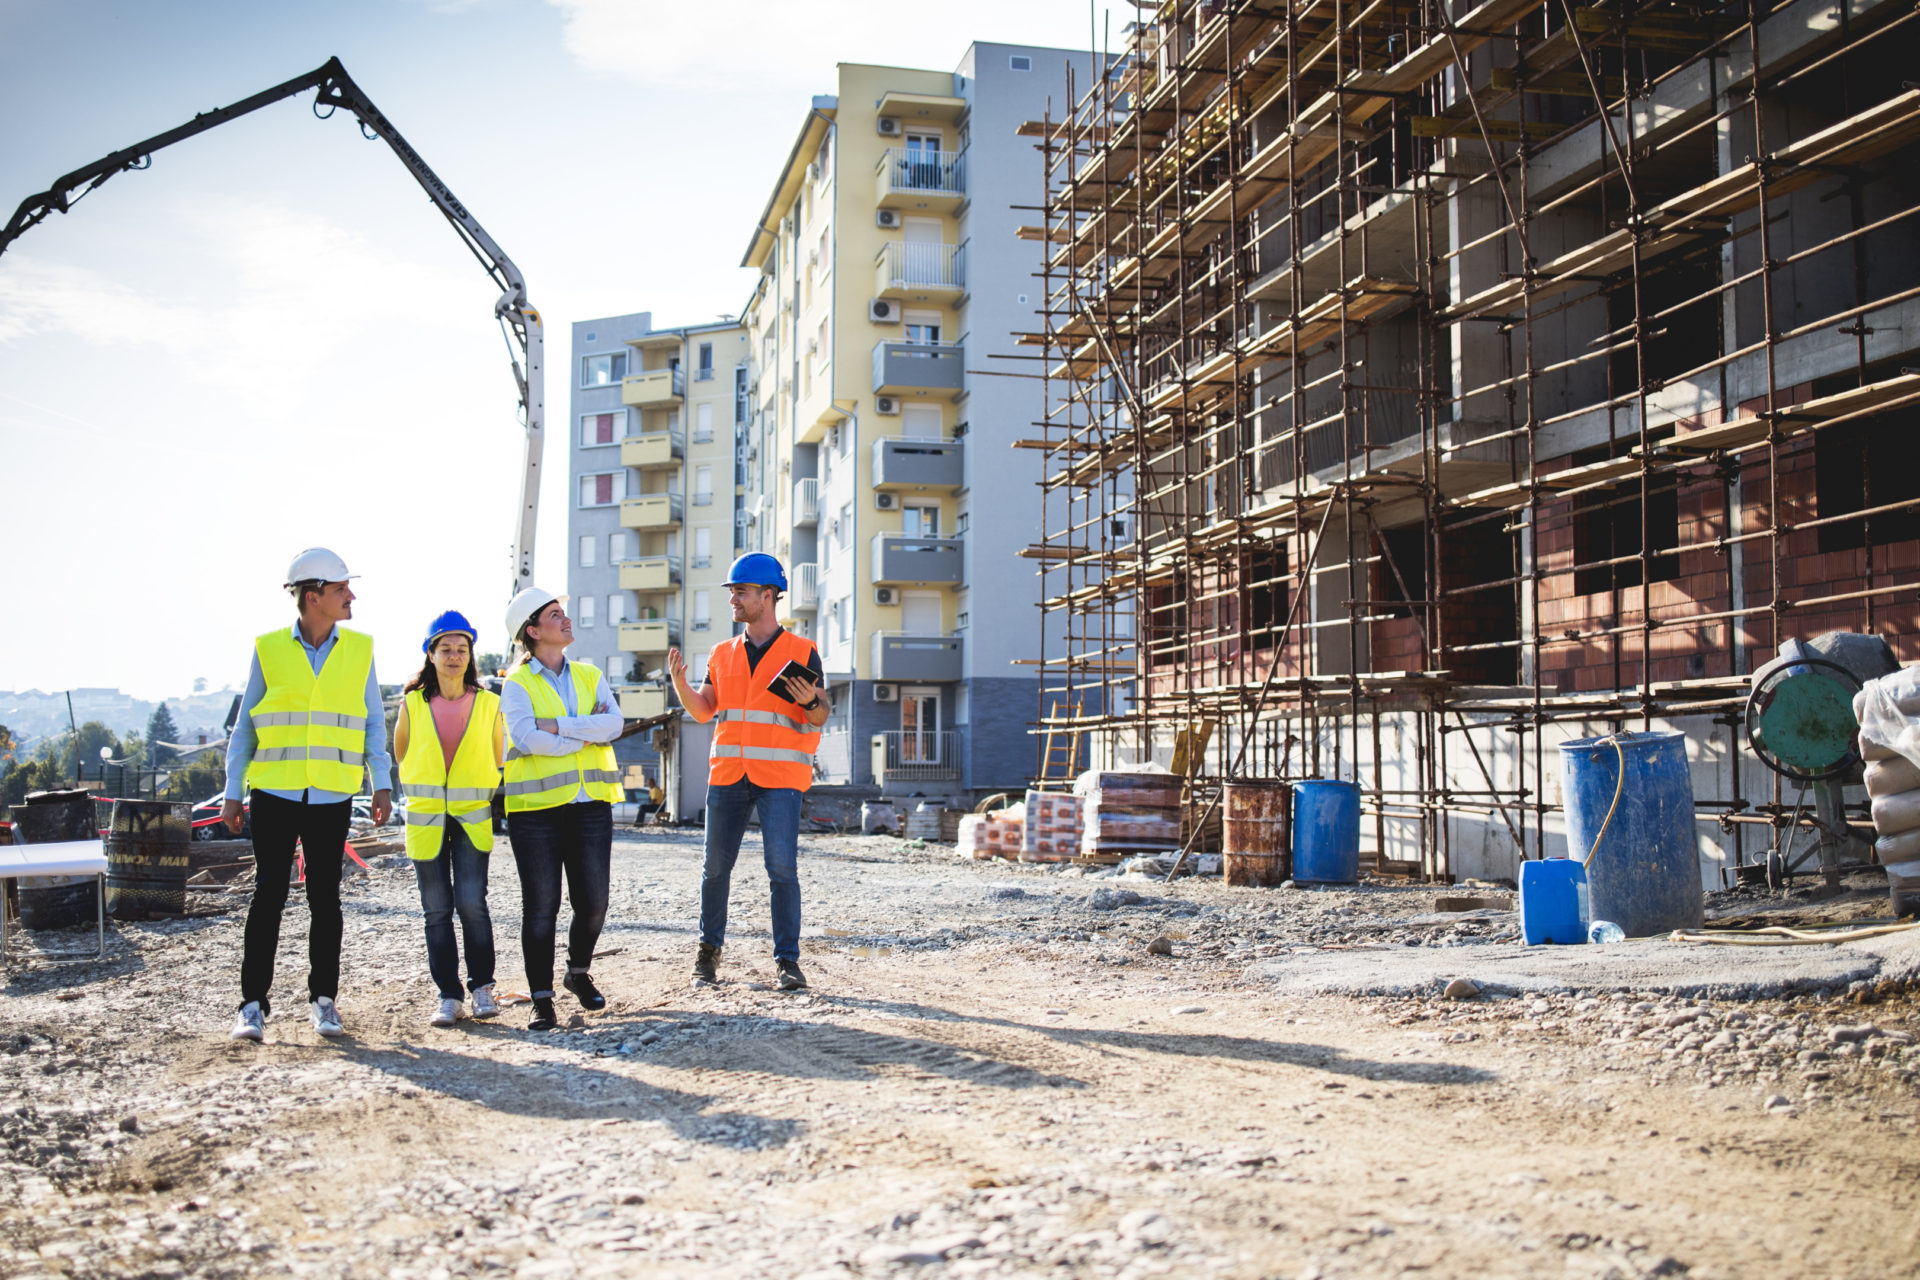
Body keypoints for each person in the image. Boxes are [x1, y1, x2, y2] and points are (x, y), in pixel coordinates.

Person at [225, 548, 392, 1042]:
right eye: (342, 590)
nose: (351, 596)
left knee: (326, 898)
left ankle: (324, 1001)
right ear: (314, 596)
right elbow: (245, 727)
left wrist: (381, 781)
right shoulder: (269, 648)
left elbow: (374, 723)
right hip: (274, 792)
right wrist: (234, 792)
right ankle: (252, 1005)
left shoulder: (359, 649)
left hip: (333, 792)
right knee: (268, 895)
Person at [668, 552, 830, 991]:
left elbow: (820, 714)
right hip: (727, 776)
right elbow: (704, 711)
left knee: (781, 870)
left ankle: (787, 963)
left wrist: (811, 701)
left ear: (768, 595)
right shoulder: (721, 654)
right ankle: (707, 955)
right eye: (733, 592)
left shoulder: (802, 651)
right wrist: (681, 685)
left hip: (780, 779)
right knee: (714, 869)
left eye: (740, 591)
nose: (733, 599)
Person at [499, 587, 625, 1031]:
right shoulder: (516, 684)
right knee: (542, 906)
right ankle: (542, 999)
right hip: (535, 812)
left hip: (590, 804)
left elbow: (614, 724)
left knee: (593, 902)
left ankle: (577, 972)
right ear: (532, 631)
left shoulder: (590, 675)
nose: (565, 619)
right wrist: (583, 734)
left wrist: (558, 726)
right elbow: (524, 738)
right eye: (555, 615)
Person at [393, 611, 504, 1028]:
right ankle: (449, 996)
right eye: (446, 649)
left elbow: (498, 757)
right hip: (426, 822)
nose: (454, 656)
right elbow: (402, 754)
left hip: (471, 819)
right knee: (436, 910)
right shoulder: (412, 703)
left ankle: (482, 988)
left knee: (472, 904)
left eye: (462, 649)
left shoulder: (490, 703)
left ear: (470, 654)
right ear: (431, 654)